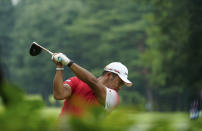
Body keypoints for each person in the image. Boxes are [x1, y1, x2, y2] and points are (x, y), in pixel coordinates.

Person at [52, 53, 132, 117]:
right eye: (120, 82)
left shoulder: (113, 97)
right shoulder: (77, 81)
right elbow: (59, 95)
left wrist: (68, 62)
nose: (120, 87)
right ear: (109, 75)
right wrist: (59, 67)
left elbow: (92, 82)